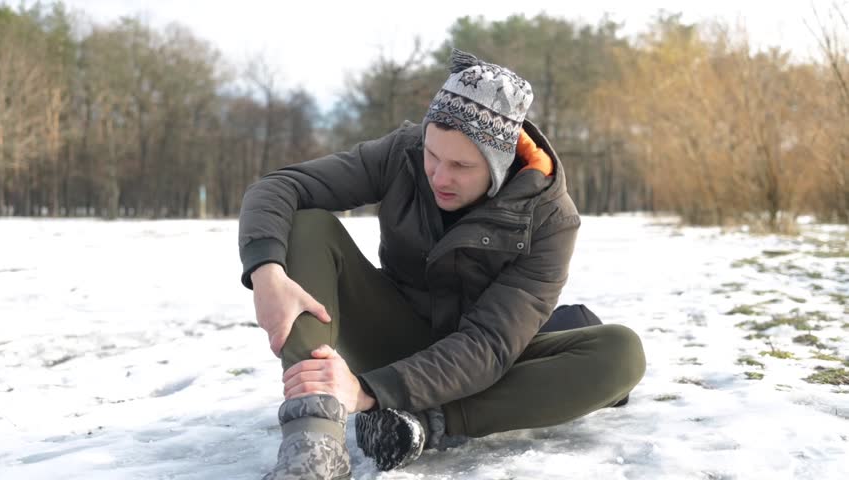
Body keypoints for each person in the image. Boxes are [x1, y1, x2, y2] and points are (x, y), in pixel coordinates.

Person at [238, 49, 646, 480]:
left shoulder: (550, 219)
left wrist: (370, 392)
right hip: (395, 336)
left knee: (621, 352)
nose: (438, 175)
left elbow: (488, 344)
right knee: (308, 226)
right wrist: (266, 272)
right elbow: (280, 186)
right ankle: (314, 436)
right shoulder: (404, 153)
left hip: (478, 366)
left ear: (500, 164)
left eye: (461, 166)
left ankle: (424, 422)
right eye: (433, 155)